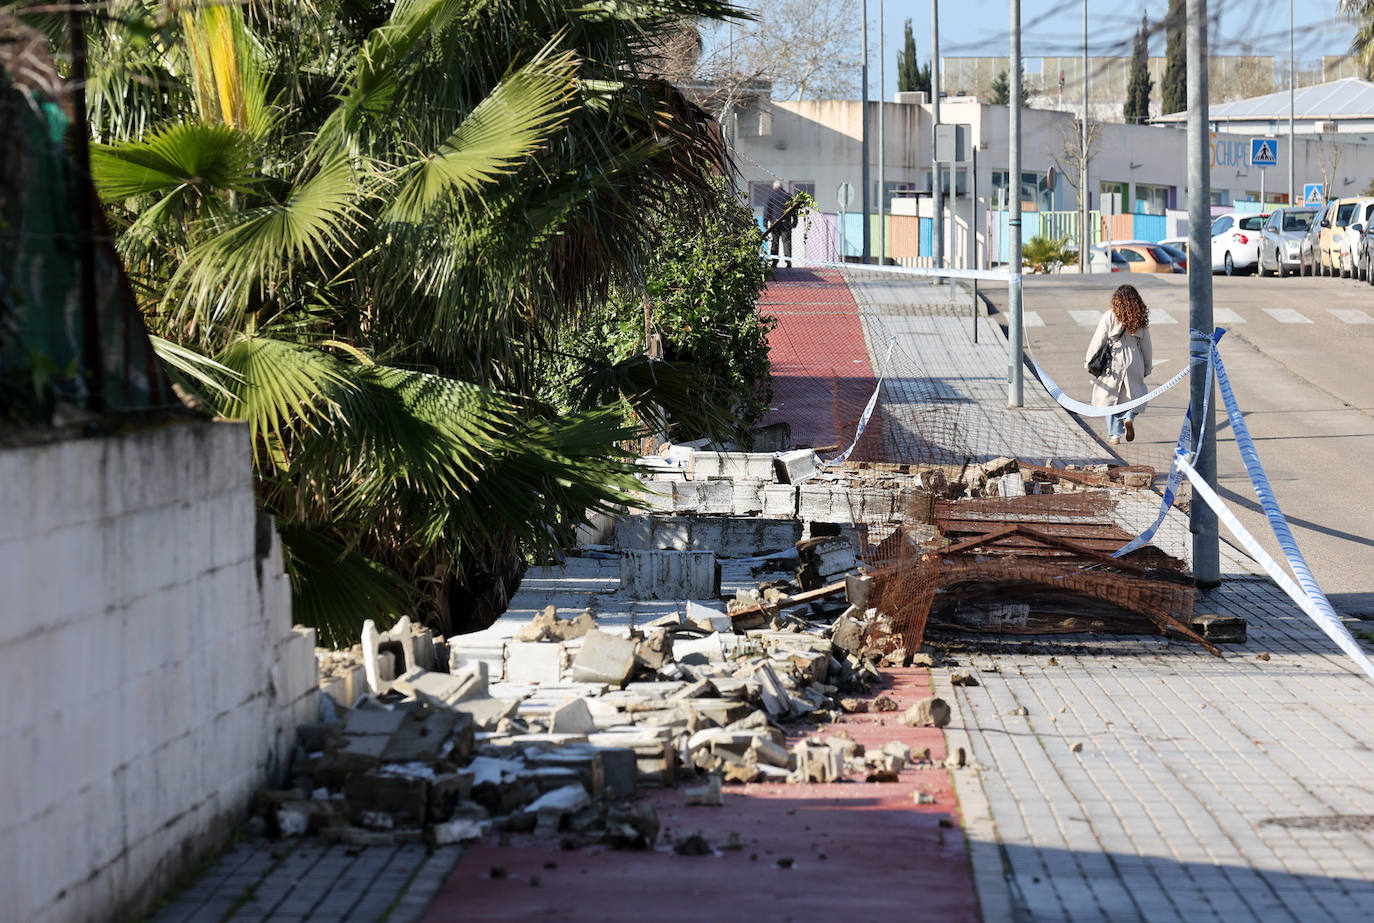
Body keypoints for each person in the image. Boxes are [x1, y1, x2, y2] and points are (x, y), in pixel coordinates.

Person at [1085, 283, 1153, 446]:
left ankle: (1114, 435)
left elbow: (1099, 339)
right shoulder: (1139, 318)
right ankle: (1129, 416)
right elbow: (1146, 345)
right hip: (1134, 357)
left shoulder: (1110, 315)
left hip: (1114, 357)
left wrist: (1089, 360)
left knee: (1110, 395)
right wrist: (1147, 366)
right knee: (1134, 393)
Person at [764, 180, 795, 268]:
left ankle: (774, 262)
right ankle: (788, 262)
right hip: (786, 224)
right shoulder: (788, 196)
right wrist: (795, 221)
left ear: (774, 187)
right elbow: (794, 210)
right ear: (782, 187)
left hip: (775, 224)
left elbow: (767, 210)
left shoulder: (771, 196)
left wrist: (765, 222)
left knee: (775, 242)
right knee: (787, 242)